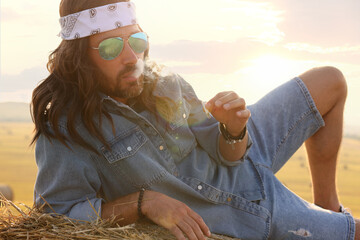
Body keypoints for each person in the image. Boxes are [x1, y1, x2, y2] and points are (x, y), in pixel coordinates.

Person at [31, 0, 359, 239]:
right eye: (110, 48)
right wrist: (143, 203)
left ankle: (327, 204)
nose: (132, 58)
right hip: (234, 204)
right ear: (79, 57)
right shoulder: (66, 128)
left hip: (239, 154)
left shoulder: (162, 81)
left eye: (137, 41)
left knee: (330, 79)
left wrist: (233, 130)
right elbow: (57, 213)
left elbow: (223, 151)